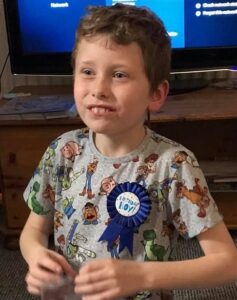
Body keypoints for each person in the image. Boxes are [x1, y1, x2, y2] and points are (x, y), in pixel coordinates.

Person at [19, 3, 237, 300]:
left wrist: (144, 276)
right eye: (87, 71)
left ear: (156, 94)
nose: (98, 88)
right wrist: (36, 257)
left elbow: (227, 263)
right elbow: (33, 231)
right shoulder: (62, 151)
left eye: (119, 75)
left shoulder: (173, 165)